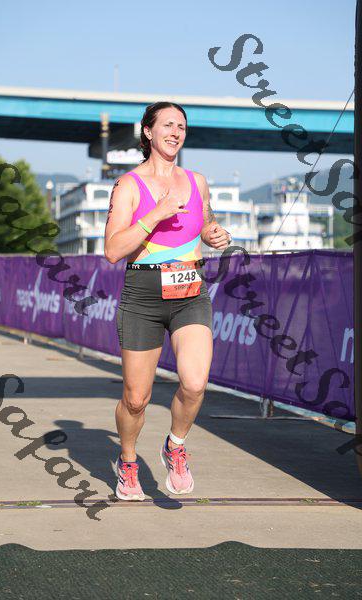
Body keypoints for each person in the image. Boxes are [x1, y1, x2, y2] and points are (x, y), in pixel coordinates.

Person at [104, 101, 231, 501]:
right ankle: (128, 462)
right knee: (136, 399)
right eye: (168, 125)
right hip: (143, 295)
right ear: (148, 132)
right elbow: (113, 250)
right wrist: (155, 214)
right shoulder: (128, 185)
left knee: (194, 384)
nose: (176, 132)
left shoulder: (197, 181)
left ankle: (175, 445)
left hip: (190, 291)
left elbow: (205, 222)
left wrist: (214, 233)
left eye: (182, 126)